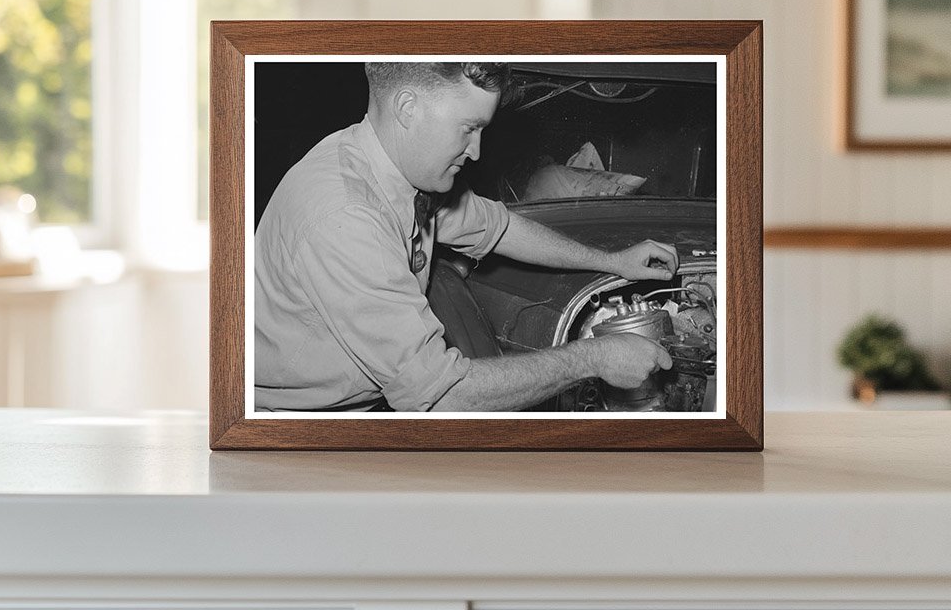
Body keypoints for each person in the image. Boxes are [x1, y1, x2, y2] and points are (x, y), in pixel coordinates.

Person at [253, 61, 677, 412]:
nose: (476, 151)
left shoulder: (400, 172)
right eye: (468, 128)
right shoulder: (344, 216)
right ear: (407, 108)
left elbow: (499, 227)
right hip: (305, 424)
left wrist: (612, 261)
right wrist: (594, 358)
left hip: (369, 402)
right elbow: (442, 395)